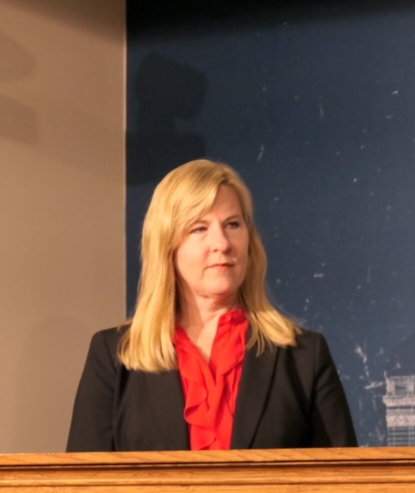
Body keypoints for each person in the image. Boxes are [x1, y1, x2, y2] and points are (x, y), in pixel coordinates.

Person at [67, 159, 357, 451]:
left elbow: (345, 487)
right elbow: (81, 489)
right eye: (199, 228)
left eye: (232, 224)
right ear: (167, 246)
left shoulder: (304, 358)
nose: (222, 242)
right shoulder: (113, 357)